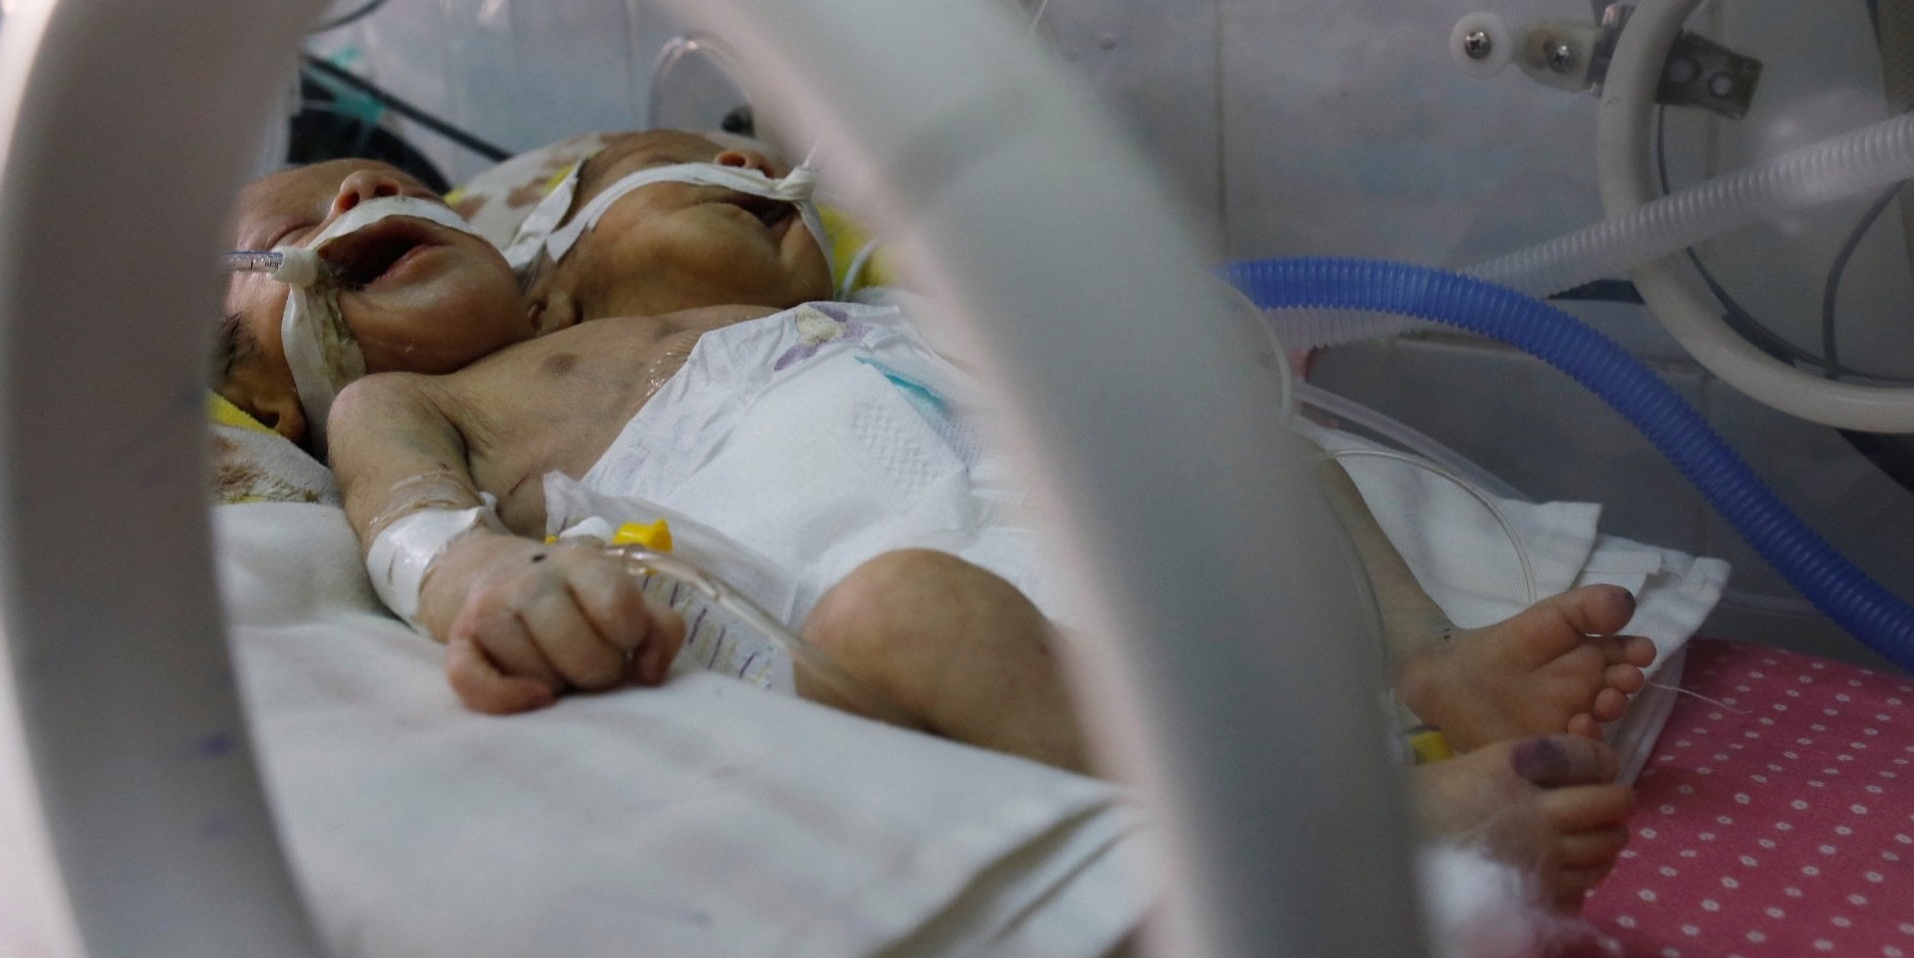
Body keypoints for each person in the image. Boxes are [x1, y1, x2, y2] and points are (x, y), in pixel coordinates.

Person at [219, 157, 1648, 907]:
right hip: (852, 571)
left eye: (373, 183)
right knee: (915, 615)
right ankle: (1359, 836)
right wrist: (488, 579)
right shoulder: (405, 402)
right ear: (264, 397)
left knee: (1234, 435)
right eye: (284, 235)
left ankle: (1419, 667)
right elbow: (417, 534)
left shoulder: (621, 300)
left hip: (1010, 477)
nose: (350, 199)